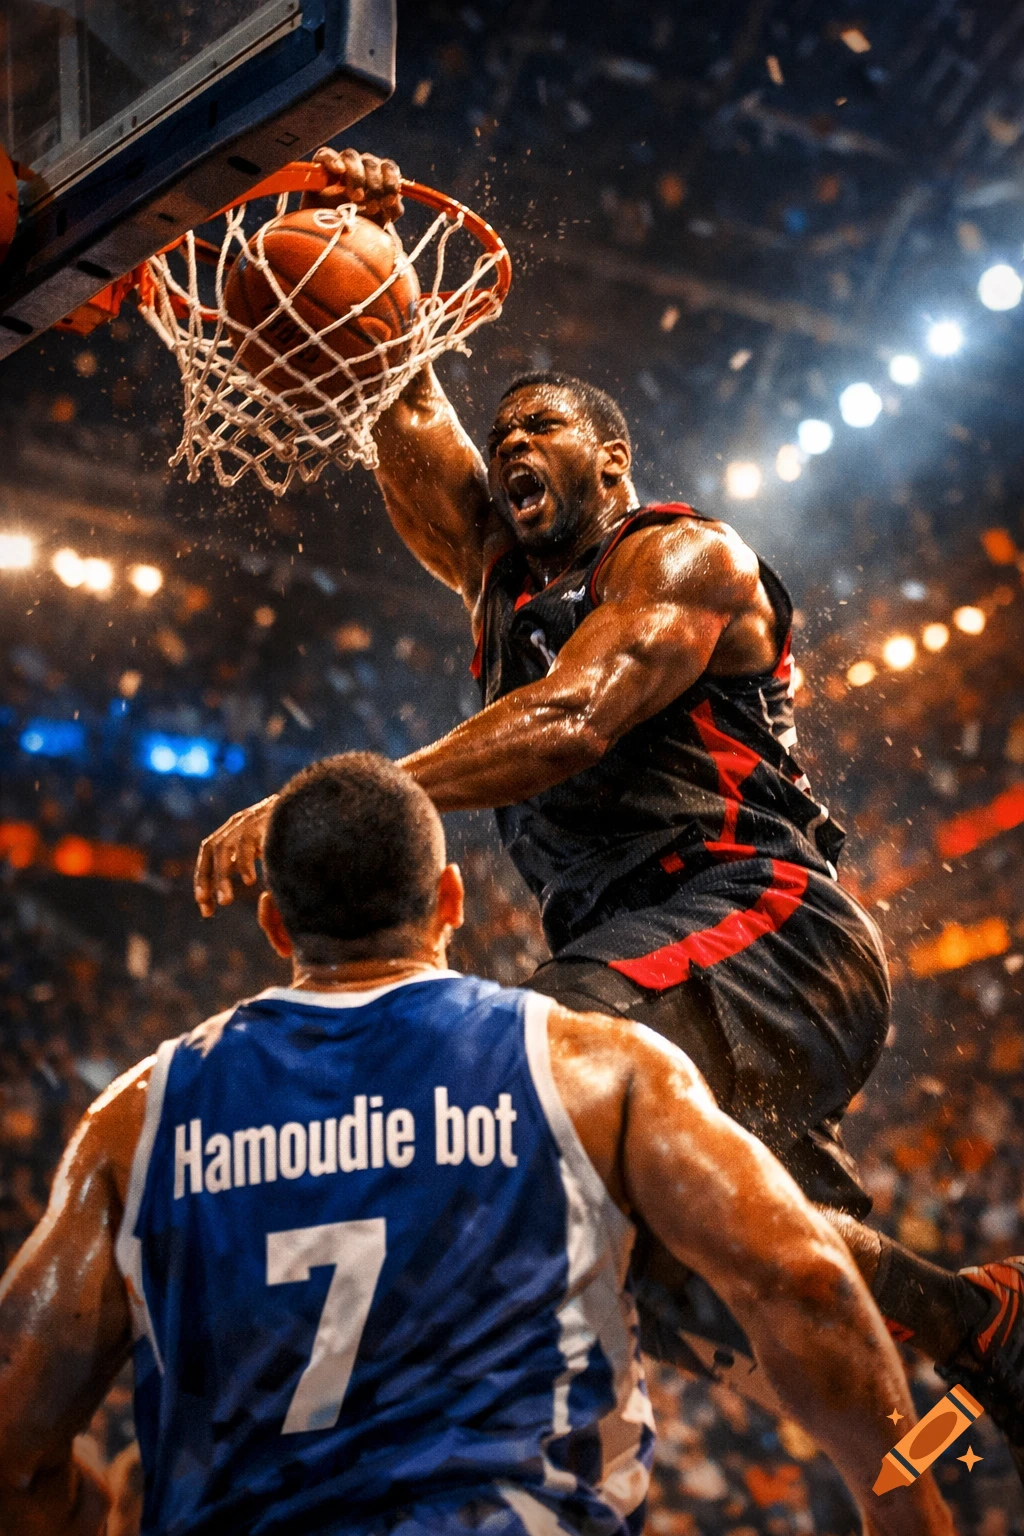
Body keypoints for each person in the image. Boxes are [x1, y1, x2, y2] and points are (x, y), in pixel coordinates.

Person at [192, 149, 1024, 1444]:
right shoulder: (495, 571)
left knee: (537, 1064)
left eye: (542, 428)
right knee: (705, 1257)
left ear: (613, 462)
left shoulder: (681, 554)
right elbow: (407, 416)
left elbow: (575, 722)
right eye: (504, 429)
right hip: (655, 955)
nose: (512, 442)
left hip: (769, 929)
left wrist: (347, 801)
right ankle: (978, 1326)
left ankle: (486, 1440)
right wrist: (357, 247)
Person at [0, 753, 952, 1536]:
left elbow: (14, 1442)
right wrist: (907, 1505)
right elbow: (808, 1284)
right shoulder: (590, 1067)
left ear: (276, 921)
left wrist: (89, 1514)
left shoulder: (136, 1122)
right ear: (450, 898)